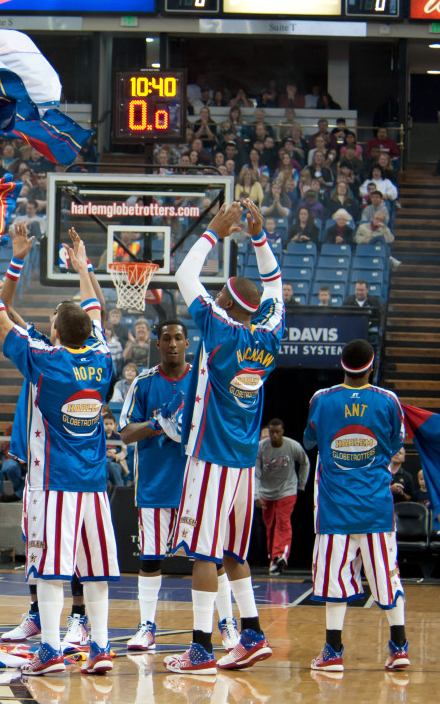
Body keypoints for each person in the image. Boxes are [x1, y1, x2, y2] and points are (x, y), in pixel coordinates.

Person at [0, 228, 118, 677]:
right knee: (95, 572)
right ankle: (102, 648)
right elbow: (94, 309)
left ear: (54, 332)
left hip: (55, 483)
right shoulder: (103, 358)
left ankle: (49, 650)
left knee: (51, 570)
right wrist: (85, 268)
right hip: (94, 485)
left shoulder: (47, 362)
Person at [164, 200, 284, 675]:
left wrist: (212, 232)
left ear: (230, 303)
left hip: (211, 458)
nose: (213, 296)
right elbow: (275, 287)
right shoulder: (269, 335)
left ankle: (200, 648)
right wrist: (259, 239)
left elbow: (184, 277)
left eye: (221, 294)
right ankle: (251, 633)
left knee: (203, 554)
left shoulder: (221, 332)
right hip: (241, 463)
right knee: (235, 551)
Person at [120, 318, 241, 654]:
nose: (172, 344)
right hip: (155, 487)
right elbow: (126, 433)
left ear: (188, 343)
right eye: (165, 338)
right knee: (149, 559)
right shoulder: (143, 383)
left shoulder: (203, 383)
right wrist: (158, 424)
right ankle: (146, 626)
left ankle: (227, 623)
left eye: (178, 338)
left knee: (212, 561)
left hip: (198, 487)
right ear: (156, 344)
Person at [304, 339, 410, 671]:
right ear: (372, 363)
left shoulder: (321, 399)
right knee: (386, 579)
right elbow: (395, 444)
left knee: (334, 582)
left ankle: (333, 652)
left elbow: (309, 440)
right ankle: (399, 647)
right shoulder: (388, 400)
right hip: (376, 508)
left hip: (335, 510)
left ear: (342, 363)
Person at [255, 419, 309, 576]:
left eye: (277, 432)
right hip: (266, 492)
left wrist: (301, 485)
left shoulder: (292, 446)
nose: (274, 435)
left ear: (282, 432)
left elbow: (305, 462)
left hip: (287, 490)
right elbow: (255, 474)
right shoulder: (261, 448)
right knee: (270, 525)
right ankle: (274, 558)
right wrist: (256, 495)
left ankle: (280, 555)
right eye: (271, 432)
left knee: (282, 521)